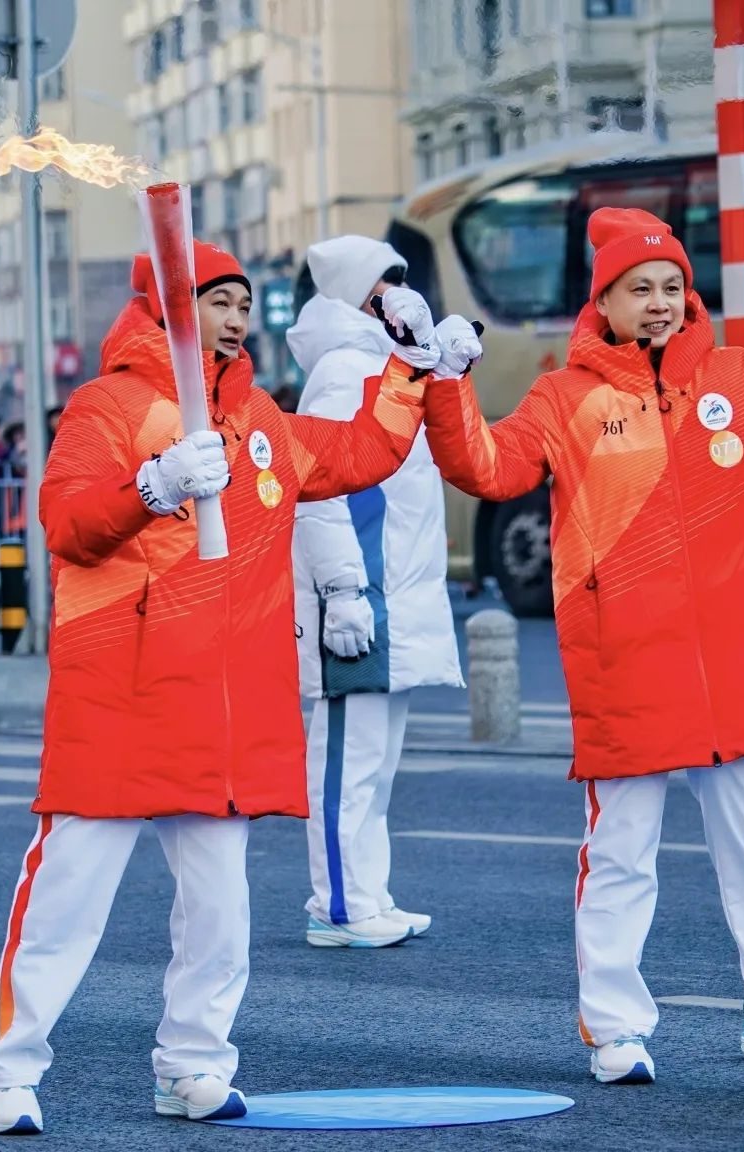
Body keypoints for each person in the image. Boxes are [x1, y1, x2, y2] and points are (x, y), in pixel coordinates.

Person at [417, 207, 744, 1083]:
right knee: (622, 851)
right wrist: (448, 384)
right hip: (627, 659)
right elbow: (487, 468)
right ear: (607, 303)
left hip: (735, 657)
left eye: (671, 287)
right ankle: (615, 1028)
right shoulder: (565, 397)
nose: (659, 303)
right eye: (639, 290)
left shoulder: (738, 376)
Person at [0, 238, 444, 1135]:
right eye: (212, 301)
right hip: (122, 694)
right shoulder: (105, 406)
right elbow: (68, 523)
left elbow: (359, 452)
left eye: (238, 302)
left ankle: (193, 1063)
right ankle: (11, 1068)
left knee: (222, 915)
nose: (232, 318)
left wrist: (414, 368)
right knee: (68, 902)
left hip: (222, 706)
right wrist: (149, 485)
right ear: (166, 307)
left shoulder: (262, 416)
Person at [287, 236, 463, 948]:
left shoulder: (392, 364)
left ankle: (369, 894)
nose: (398, 293)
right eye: (383, 285)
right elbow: (316, 491)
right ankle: (337, 904)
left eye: (400, 280)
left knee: (378, 765)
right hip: (360, 592)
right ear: (359, 299)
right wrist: (342, 590)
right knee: (345, 761)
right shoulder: (342, 372)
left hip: (399, 587)